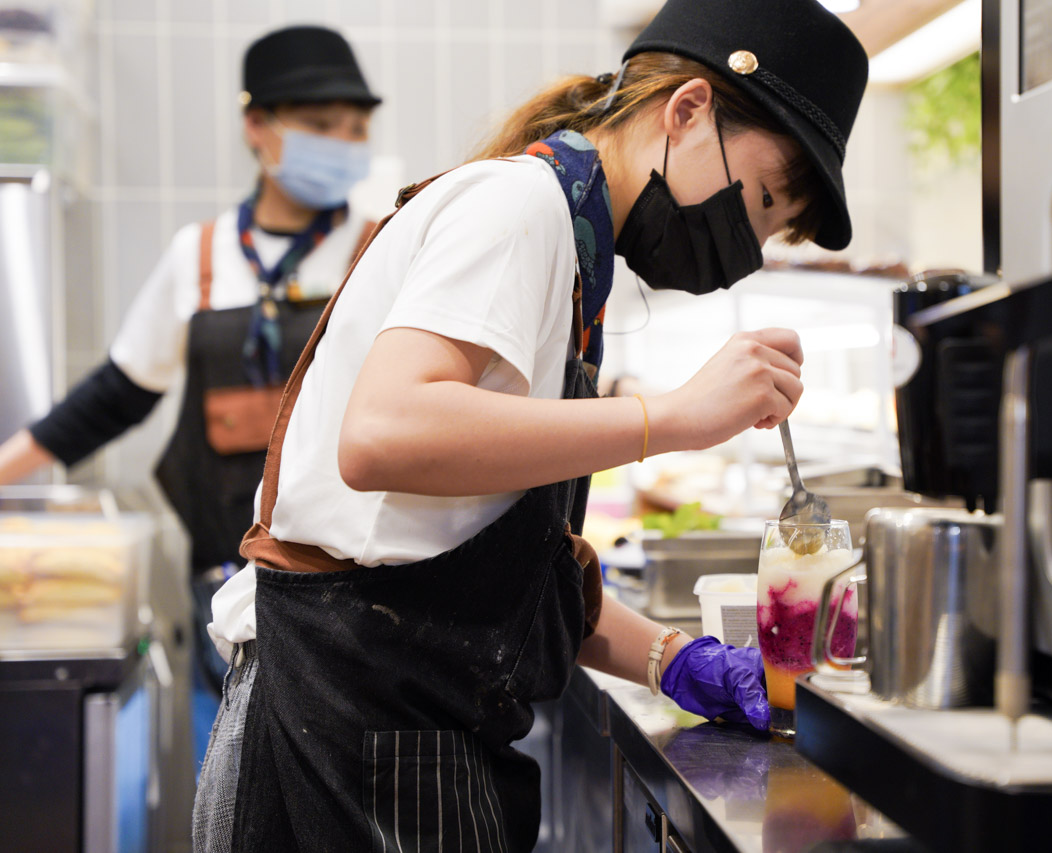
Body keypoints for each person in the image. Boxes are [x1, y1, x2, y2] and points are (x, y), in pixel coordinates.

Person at [194, 1, 868, 850]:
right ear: (689, 110)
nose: (749, 243)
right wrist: (669, 418)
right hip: (348, 731)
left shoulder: (575, 250)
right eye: (763, 201)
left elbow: (484, 552)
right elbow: (384, 434)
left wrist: (673, 658)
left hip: (389, 718)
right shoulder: (523, 206)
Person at [0, 24, 381, 735]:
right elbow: (115, 396)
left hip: (356, 599)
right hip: (225, 592)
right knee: (233, 798)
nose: (344, 140)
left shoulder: (378, 249)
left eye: (357, 126)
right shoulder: (199, 257)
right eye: (321, 124)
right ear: (257, 127)